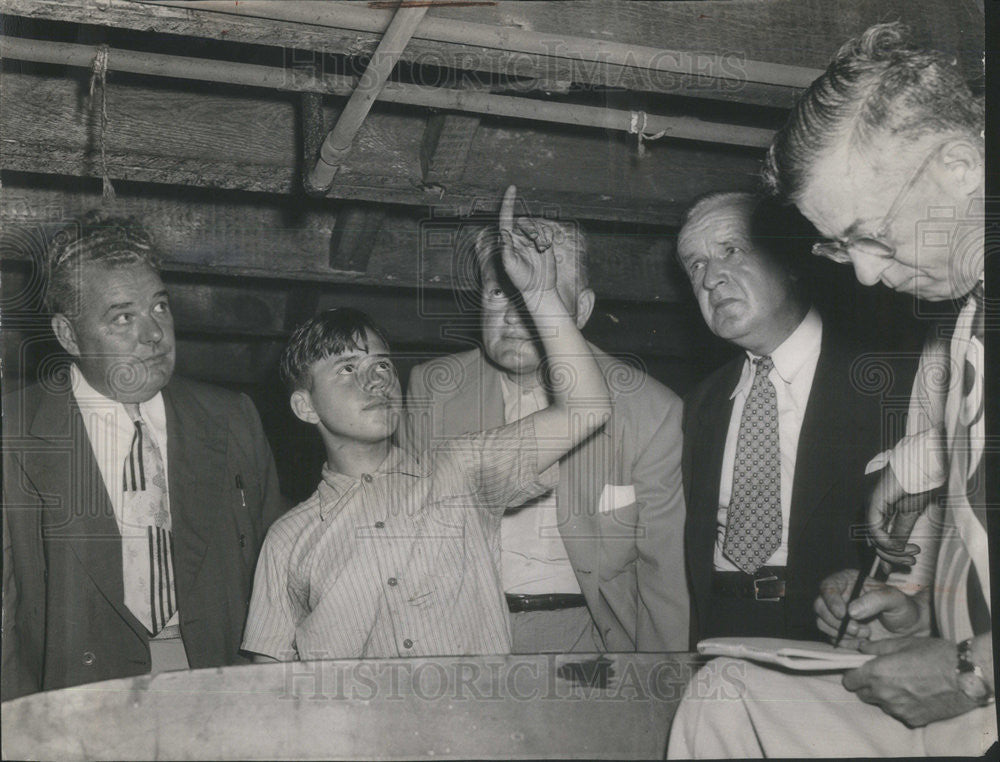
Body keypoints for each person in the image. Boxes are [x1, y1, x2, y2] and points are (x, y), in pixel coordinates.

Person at [667, 22, 993, 758]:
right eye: (841, 249)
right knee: (722, 695)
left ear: (962, 165)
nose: (868, 276)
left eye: (871, 235)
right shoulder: (969, 321)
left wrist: (973, 669)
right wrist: (923, 621)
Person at [240, 186, 612, 661]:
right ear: (305, 407)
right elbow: (268, 673)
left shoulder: (460, 471)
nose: (375, 380)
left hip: (473, 727)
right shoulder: (287, 539)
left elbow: (587, 407)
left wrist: (539, 295)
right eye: (347, 369)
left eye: (380, 365)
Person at [1, 212, 285, 700]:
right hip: (74, 694)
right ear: (68, 336)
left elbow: (277, 578)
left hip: (217, 684)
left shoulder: (232, 417)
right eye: (123, 317)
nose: (154, 335)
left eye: (159, 307)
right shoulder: (13, 431)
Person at [401, 203, 688, 654]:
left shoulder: (650, 410)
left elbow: (664, 577)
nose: (515, 316)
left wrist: (657, 690)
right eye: (499, 293)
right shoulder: (432, 392)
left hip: (591, 640)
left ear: (582, 309)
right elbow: (409, 549)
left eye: (536, 292)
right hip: (462, 639)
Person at [677, 191, 908, 643]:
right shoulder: (699, 404)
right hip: (723, 631)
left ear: (789, 261)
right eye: (695, 265)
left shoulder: (890, 381)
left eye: (731, 250)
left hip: (842, 634)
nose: (710, 279)